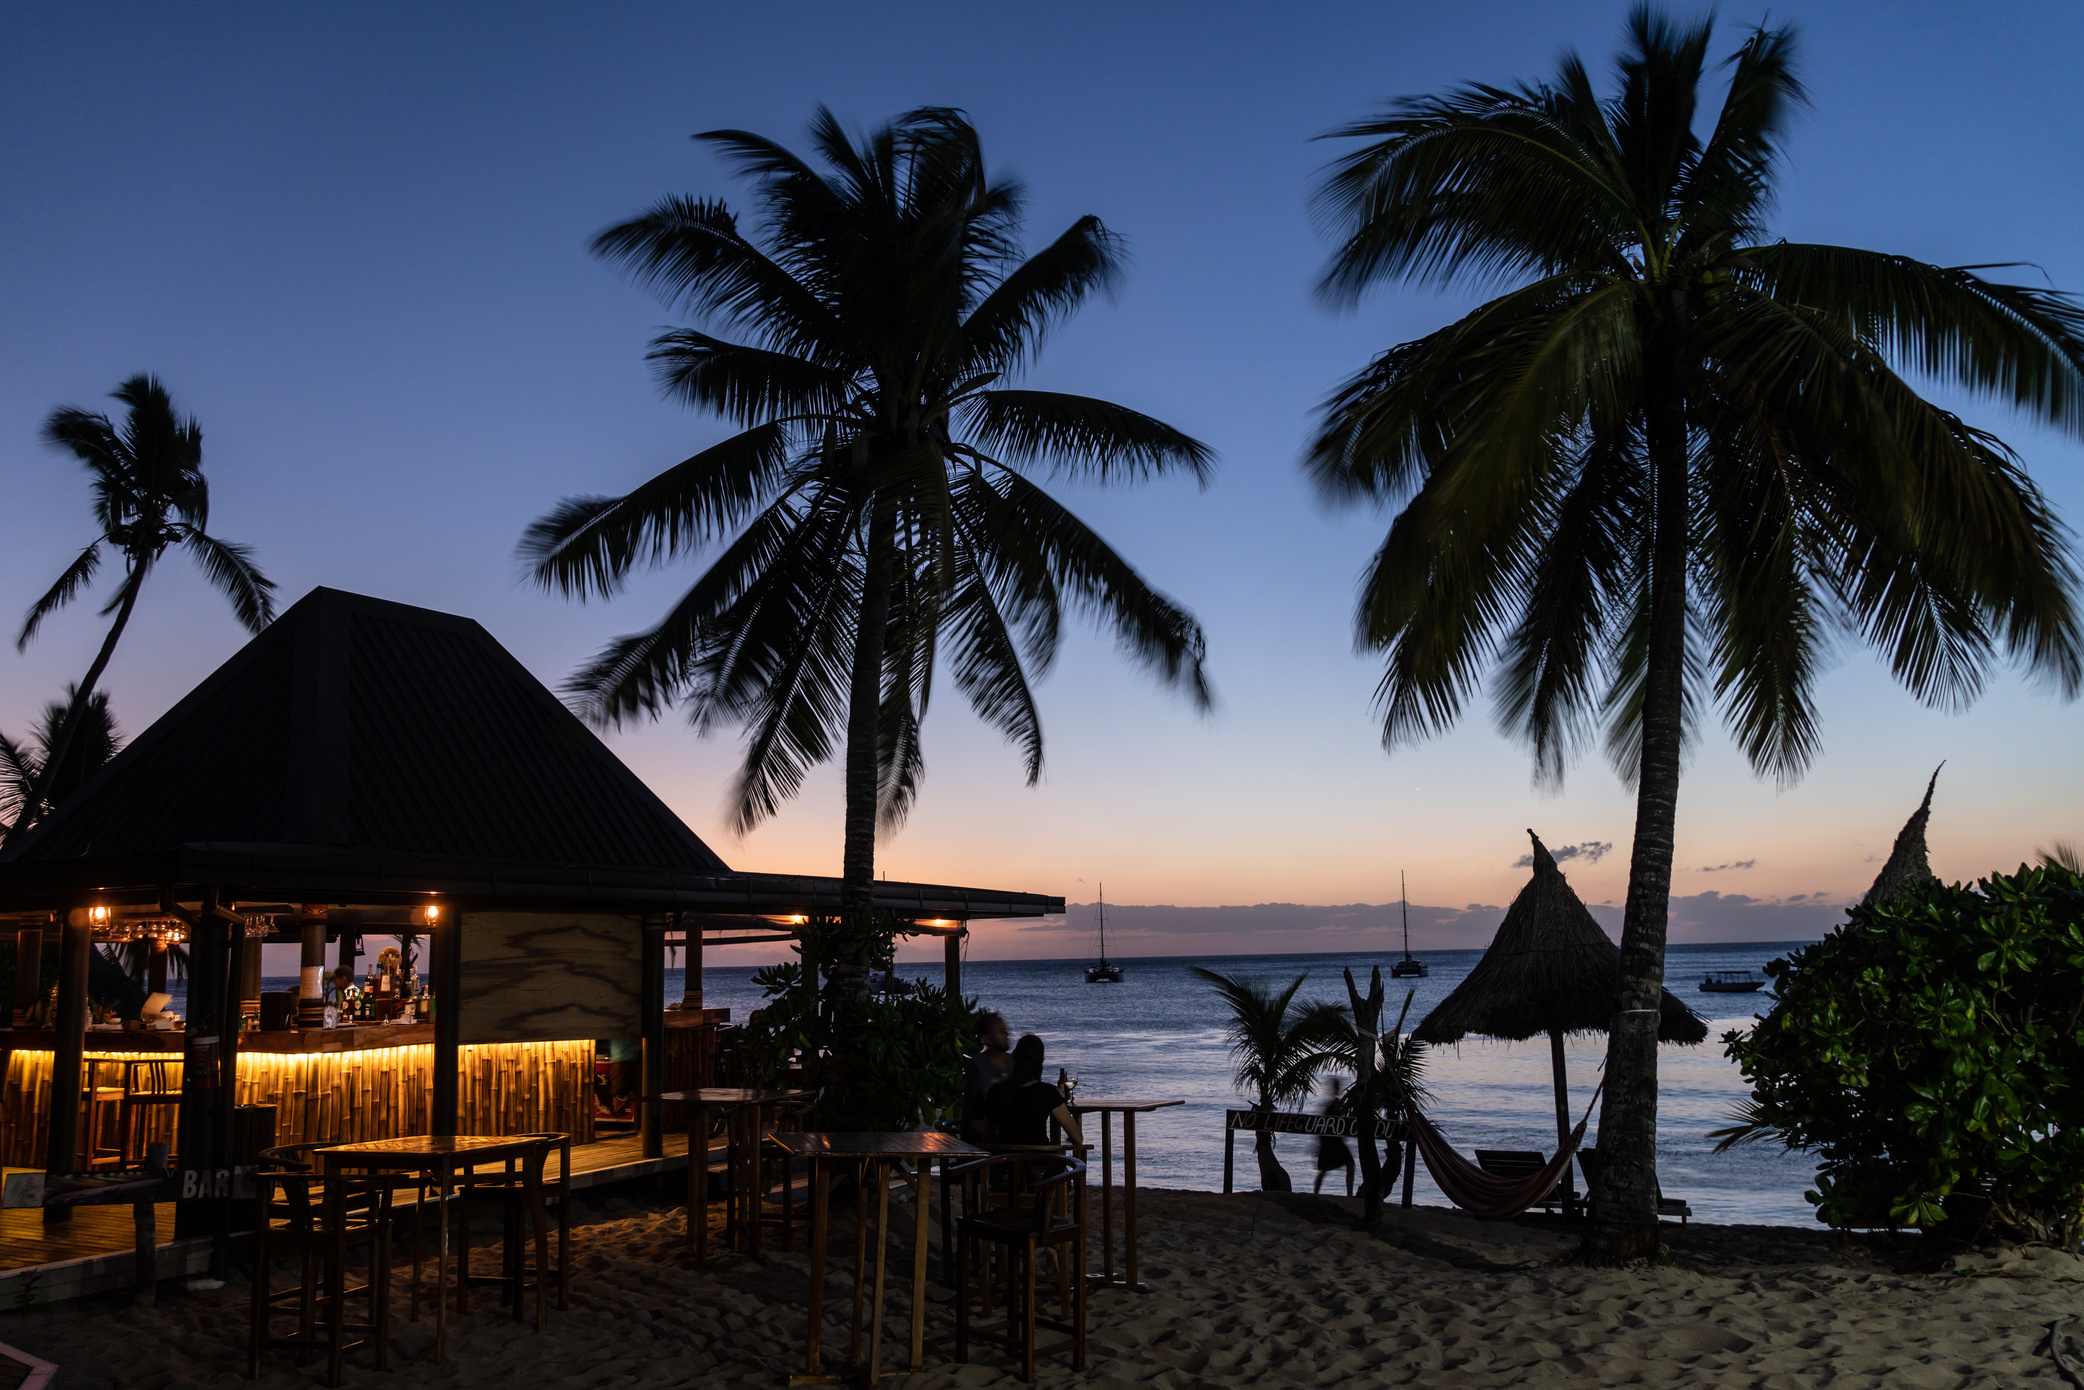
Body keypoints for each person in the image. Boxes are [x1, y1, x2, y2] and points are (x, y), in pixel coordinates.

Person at [983, 1034, 1083, 1146]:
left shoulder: (996, 1091)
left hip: (1004, 1161)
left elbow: (986, 1138)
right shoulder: (1048, 1093)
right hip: (1040, 1161)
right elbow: (1078, 1138)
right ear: (1041, 1061)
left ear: (1014, 1057)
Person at [961, 1011, 1012, 1140]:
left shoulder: (1013, 1061)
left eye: (1005, 1030)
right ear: (987, 1038)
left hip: (1008, 1133)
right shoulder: (977, 1064)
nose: (1006, 1034)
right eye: (1000, 1031)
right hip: (982, 1137)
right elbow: (992, 1100)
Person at [1313, 1076, 1355, 1197]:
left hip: (1331, 1141)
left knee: (1327, 1168)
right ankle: (1349, 1194)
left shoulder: (1332, 1103)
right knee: (1329, 1168)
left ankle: (1348, 1194)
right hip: (1332, 1141)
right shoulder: (1333, 1104)